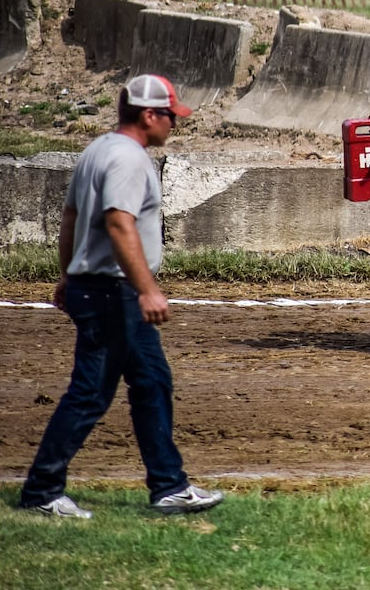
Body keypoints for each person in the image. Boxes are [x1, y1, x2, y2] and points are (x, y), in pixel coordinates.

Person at [19, 74, 224, 520]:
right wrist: (147, 288)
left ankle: (169, 485)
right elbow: (118, 223)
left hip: (100, 286)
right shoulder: (130, 160)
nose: (174, 123)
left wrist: (67, 273)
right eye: (170, 115)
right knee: (91, 392)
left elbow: (72, 216)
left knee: (151, 382)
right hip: (117, 292)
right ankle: (42, 489)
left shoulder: (98, 150)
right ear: (149, 115)